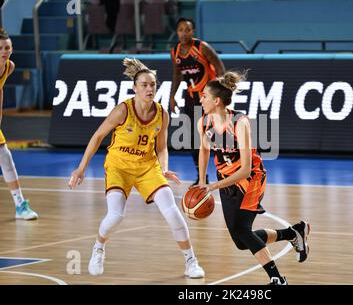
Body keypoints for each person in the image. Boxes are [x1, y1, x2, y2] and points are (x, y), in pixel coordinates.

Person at [68, 58, 205, 278]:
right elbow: (97, 136)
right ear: (135, 88)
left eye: (153, 84)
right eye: (145, 85)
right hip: (118, 167)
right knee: (116, 215)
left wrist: (163, 168)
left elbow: (161, 148)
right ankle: (98, 248)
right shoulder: (123, 110)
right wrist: (81, 168)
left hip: (147, 167)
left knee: (172, 213)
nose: (150, 88)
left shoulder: (162, 114)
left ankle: (191, 261)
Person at [196, 71, 310, 285]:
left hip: (251, 180)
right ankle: (293, 233)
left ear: (217, 100)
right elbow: (204, 150)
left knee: (242, 230)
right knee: (241, 241)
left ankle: (277, 280)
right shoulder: (203, 122)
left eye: (204, 96)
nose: (200, 99)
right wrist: (202, 180)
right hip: (226, 179)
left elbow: (246, 169)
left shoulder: (239, 123)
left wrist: (213, 186)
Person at [169, 17, 225, 187]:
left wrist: (220, 91)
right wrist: (172, 96)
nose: (184, 33)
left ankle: (226, 173)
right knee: (193, 139)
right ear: (177, 32)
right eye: (180, 30)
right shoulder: (175, 52)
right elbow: (177, 74)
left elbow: (220, 66)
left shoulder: (202, 47)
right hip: (191, 97)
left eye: (187, 30)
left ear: (193, 31)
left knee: (216, 137)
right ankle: (202, 176)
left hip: (208, 97)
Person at [0, 28, 38, 220]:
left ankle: (20, 205)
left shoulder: (9, 67)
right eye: (0, 48)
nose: (4, 51)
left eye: (7, 47)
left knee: (5, 158)